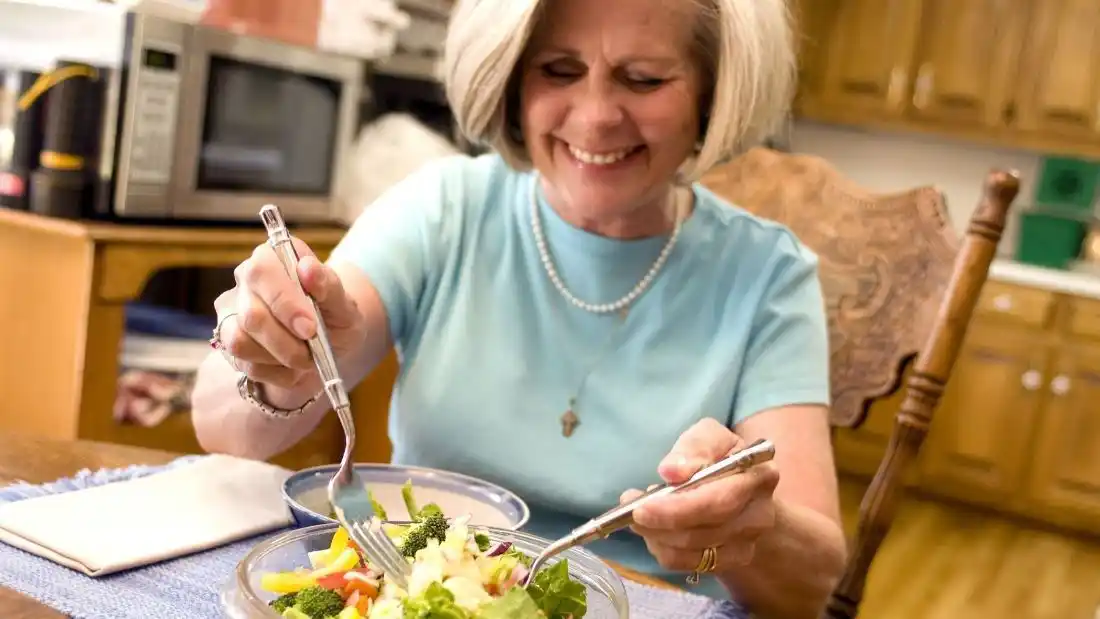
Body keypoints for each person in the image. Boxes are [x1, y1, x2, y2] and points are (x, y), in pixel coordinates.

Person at [191, 0, 848, 616]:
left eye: (643, 80)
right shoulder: (443, 209)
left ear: (714, 91)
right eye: (559, 70)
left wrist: (745, 525)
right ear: (511, 81)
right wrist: (274, 355)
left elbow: (813, 583)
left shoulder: (768, 275)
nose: (595, 119)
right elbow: (224, 427)